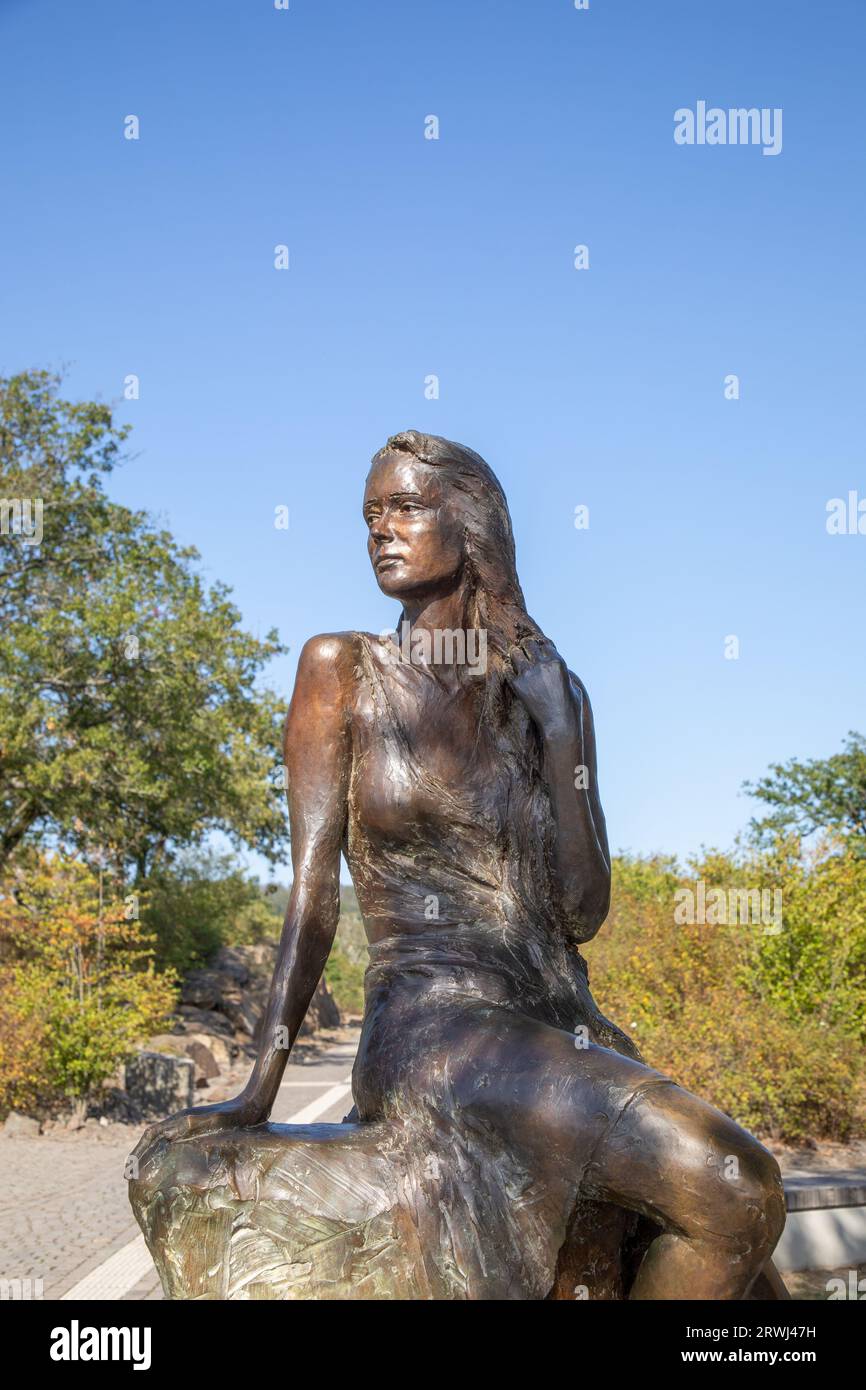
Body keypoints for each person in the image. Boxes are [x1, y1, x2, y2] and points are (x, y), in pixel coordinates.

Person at [141, 430, 785, 1299]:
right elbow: (313, 895)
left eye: (405, 507)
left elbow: (583, 911)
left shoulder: (549, 689)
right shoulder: (341, 669)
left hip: (553, 1019)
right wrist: (260, 1087)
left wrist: (559, 733)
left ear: (471, 525)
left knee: (740, 1245)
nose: (381, 529)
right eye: (371, 514)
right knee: (732, 1185)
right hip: (432, 1029)